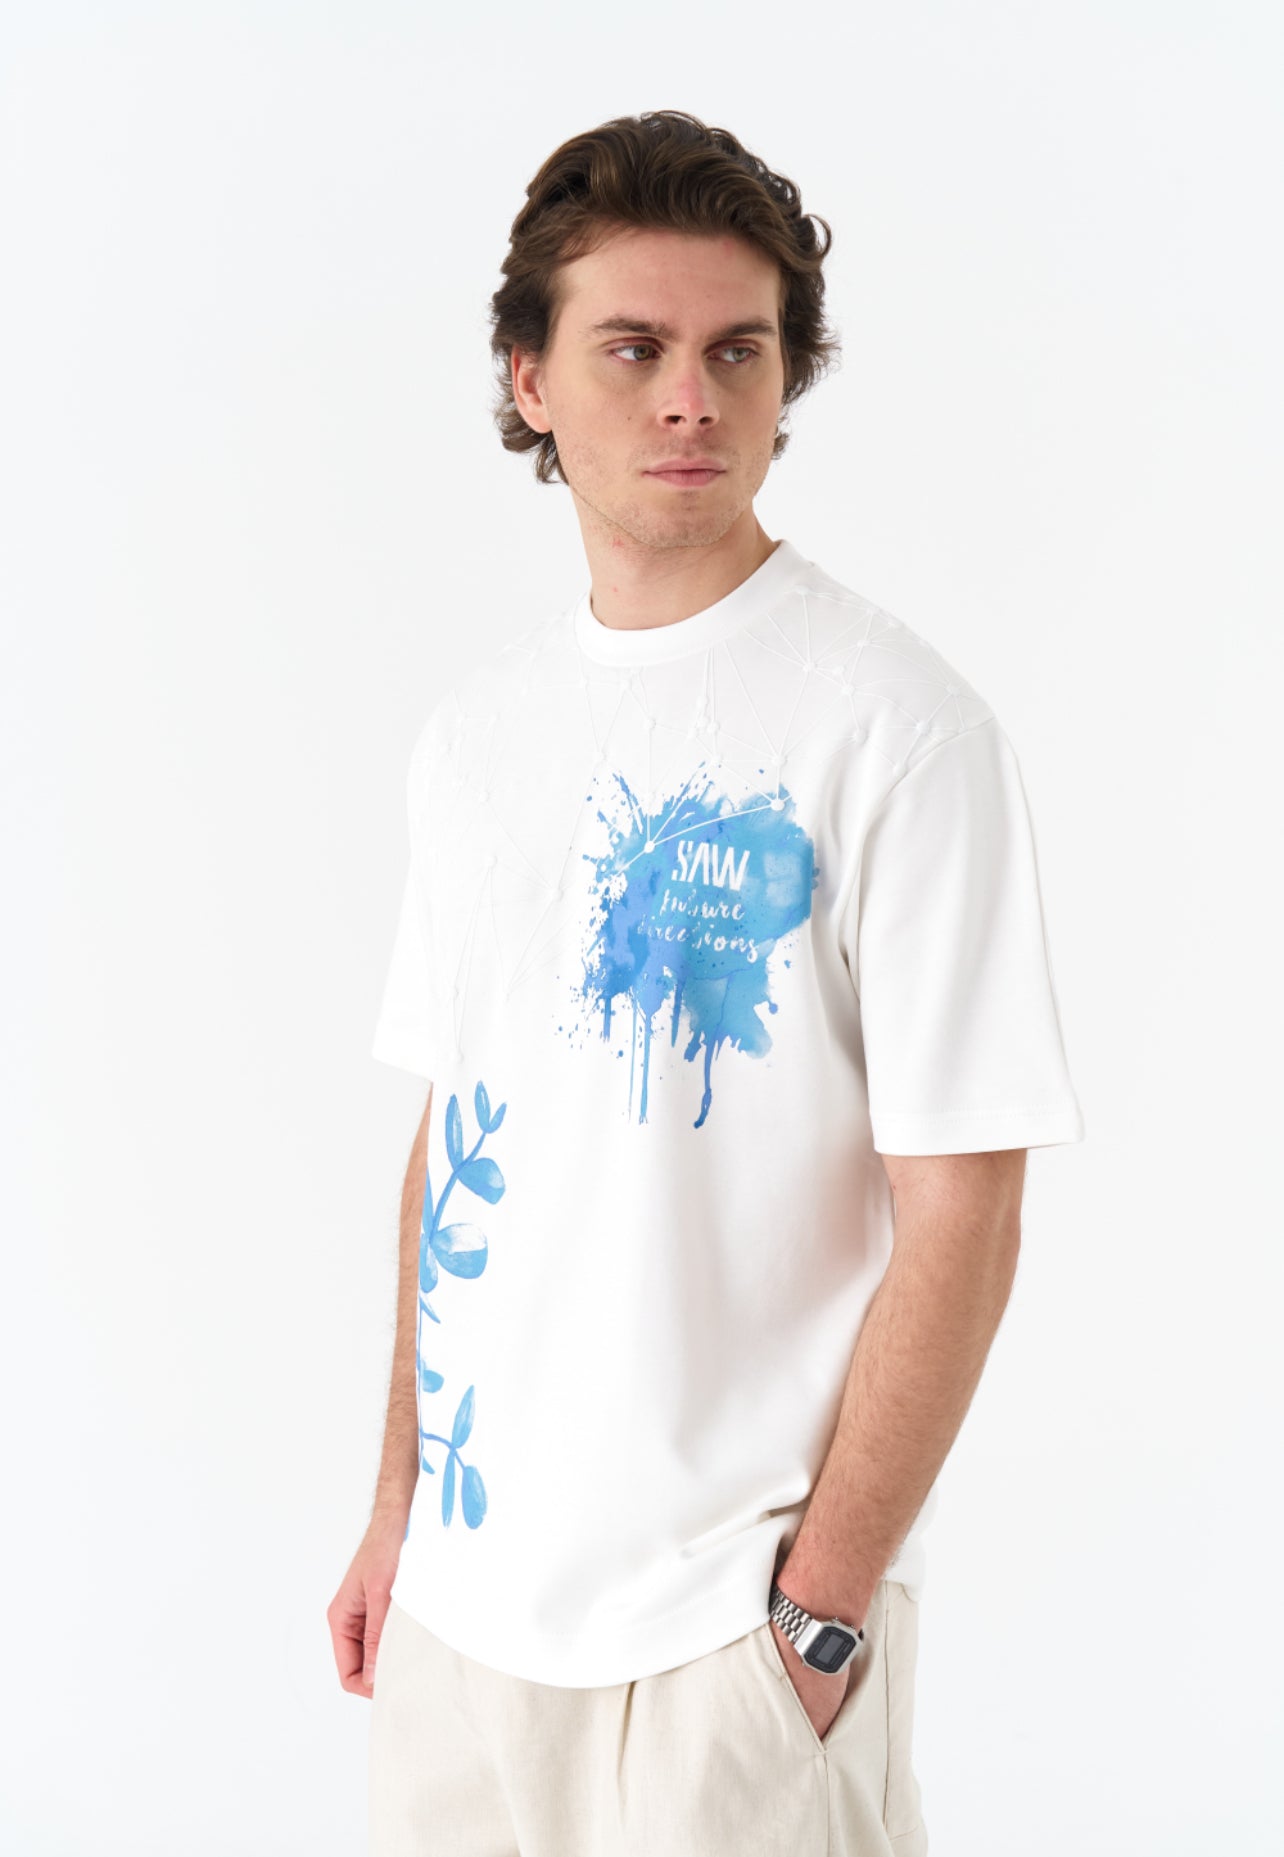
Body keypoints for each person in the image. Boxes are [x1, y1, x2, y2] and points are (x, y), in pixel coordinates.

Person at [328, 108, 1085, 1856]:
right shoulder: (475, 740)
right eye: (635, 349)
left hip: (725, 1642)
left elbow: (966, 1204)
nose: (691, 398)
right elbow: (454, 1136)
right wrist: (395, 1511)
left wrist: (820, 1613)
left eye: (738, 351)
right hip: (461, 1625)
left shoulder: (898, 729)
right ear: (529, 380)